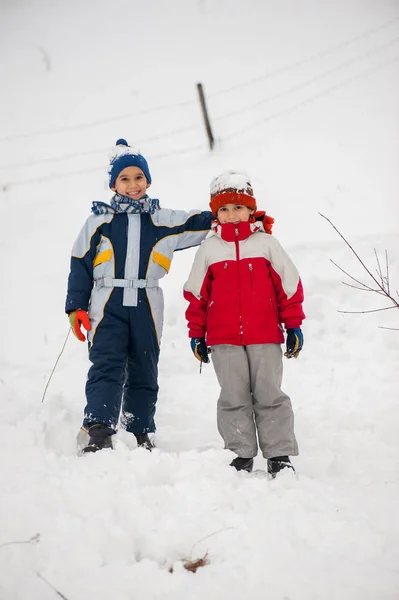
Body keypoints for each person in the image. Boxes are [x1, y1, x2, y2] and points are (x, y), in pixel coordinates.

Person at [65, 139, 213, 453]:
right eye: (125, 179)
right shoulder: (98, 222)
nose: (133, 185)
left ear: (148, 180)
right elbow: (79, 264)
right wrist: (76, 306)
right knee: (107, 364)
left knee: (145, 366)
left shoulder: (162, 220)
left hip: (147, 303)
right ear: (113, 184)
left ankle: (139, 429)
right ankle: (100, 429)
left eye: (138, 178)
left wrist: (234, 214)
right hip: (107, 303)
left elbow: (201, 223)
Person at [183, 170, 305, 477]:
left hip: (265, 336)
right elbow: (196, 294)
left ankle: (278, 454)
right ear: (216, 214)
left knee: (269, 394)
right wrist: (197, 333)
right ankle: (240, 453)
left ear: (251, 209)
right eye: (223, 209)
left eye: (238, 207)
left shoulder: (266, 244)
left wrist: (293, 326)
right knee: (233, 397)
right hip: (223, 339)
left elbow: (289, 287)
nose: (231, 215)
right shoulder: (209, 249)